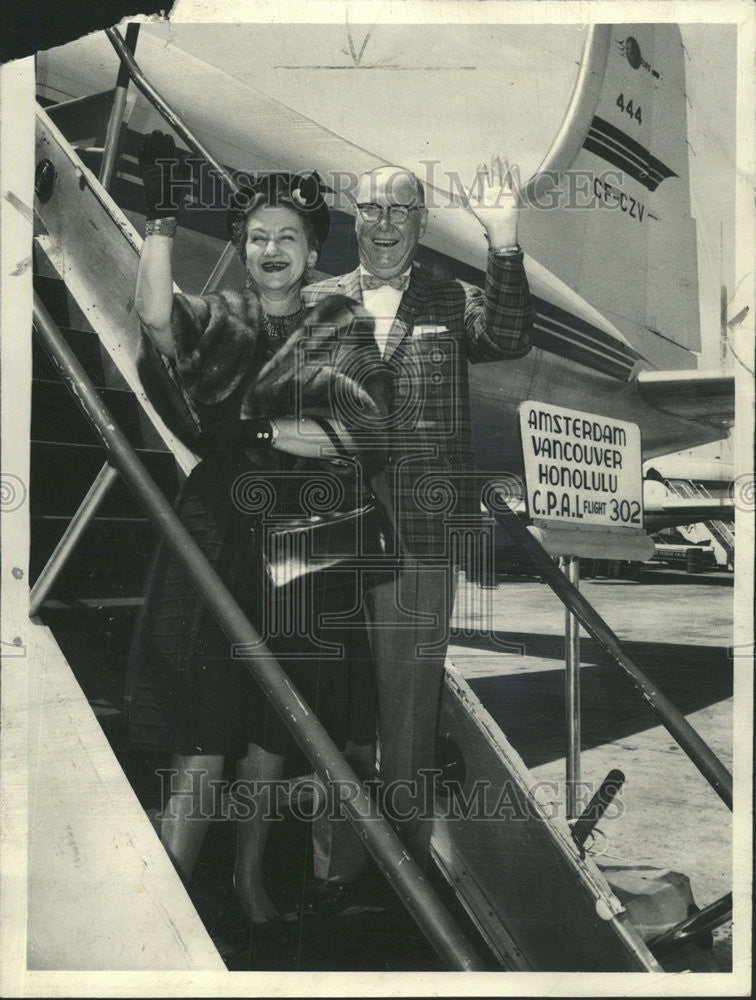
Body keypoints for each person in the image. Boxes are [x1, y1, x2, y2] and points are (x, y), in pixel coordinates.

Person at [125, 132, 389, 925]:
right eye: (258, 238)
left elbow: (363, 432)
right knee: (204, 718)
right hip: (219, 527)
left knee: (279, 720)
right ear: (242, 250)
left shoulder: (343, 320)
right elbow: (156, 321)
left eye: (288, 239)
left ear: (313, 253)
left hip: (303, 530)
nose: (272, 250)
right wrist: (163, 222)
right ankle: (169, 897)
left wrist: (263, 433)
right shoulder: (222, 314)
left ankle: (247, 880)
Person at [300, 157, 535, 906]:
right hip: (329, 528)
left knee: (406, 711)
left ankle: (396, 884)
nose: (384, 222)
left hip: (420, 535)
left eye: (401, 208)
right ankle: (332, 870)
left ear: (422, 219)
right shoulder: (317, 299)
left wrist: (504, 239)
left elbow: (506, 335)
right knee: (335, 706)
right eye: (369, 208)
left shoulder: (449, 295)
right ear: (352, 217)